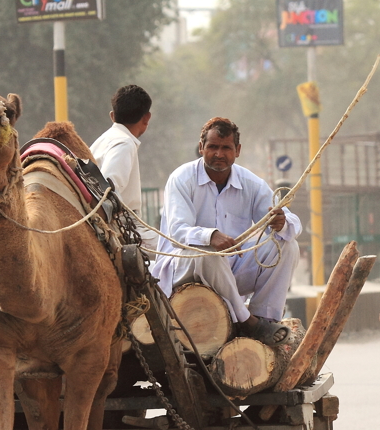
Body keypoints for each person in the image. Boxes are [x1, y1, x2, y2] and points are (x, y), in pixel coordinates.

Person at [150, 117, 301, 345]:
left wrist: (282, 222)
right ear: (201, 148)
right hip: (185, 269)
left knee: (286, 244)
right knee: (206, 250)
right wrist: (210, 235)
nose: (219, 154)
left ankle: (265, 319)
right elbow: (179, 232)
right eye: (212, 147)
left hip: (230, 271)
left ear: (237, 151)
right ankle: (247, 322)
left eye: (226, 148)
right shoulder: (181, 178)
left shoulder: (251, 183)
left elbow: (292, 222)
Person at [89, 84, 156, 251]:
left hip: (117, 223)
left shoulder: (103, 140)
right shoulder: (124, 143)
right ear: (147, 118)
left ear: (112, 116)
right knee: (178, 250)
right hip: (124, 227)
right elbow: (107, 188)